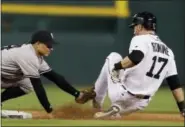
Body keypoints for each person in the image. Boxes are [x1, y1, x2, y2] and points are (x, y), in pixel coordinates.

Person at [92, 12, 184, 118]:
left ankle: (97, 102)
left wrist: (116, 67)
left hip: (123, 94)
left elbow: (136, 57)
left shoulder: (141, 39)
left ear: (140, 26)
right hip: (141, 103)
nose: (134, 30)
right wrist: (182, 108)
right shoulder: (168, 52)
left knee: (113, 57)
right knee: (114, 116)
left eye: (135, 26)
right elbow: (175, 84)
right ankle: (115, 111)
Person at [1, 30, 95, 118]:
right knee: (32, 83)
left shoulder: (35, 55)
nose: (51, 48)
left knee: (27, 85)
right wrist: (49, 110)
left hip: (4, 75)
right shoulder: (28, 55)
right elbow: (38, 86)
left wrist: (77, 94)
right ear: (37, 43)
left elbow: (55, 77)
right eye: (48, 45)